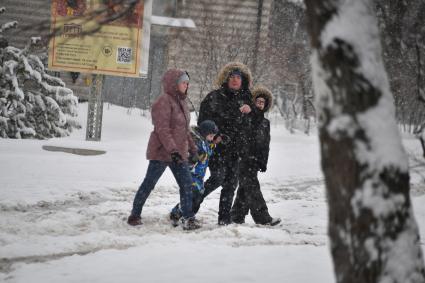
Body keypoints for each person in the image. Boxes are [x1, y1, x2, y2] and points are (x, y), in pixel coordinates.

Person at [127, 69, 201, 230]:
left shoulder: (182, 102)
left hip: (178, 153)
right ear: (174, 84)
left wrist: (193, 150)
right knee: (149, 184)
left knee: (187, 185)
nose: (186, 85)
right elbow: (163, 129)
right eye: (183, 82)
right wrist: (172, 150)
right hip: (161, 152)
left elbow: (185, 129)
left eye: (187, 83)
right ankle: (134, 214)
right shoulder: (163, 101)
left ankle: (188, 218)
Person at [197, 62, 254, 225]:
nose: (235, 80)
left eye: (238, 77)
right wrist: (215, 136)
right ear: (226, 79)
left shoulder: (248, 99)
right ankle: (188, 207)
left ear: (243, 80)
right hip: (218, 149)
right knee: (217, 178)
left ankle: (224, 220)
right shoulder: (214, 97)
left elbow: (255, 125)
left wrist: (250, 112)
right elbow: (203, 121)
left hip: (238, 150)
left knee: (230, 185)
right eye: (232, 77)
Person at [231, 85, 281, 226]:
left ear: (265, 106)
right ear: (254, 101)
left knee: (245, 188)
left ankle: (236, 216)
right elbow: (238, 134)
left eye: (262, 102)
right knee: (252, 187)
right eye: (258, 101)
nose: (260, 104)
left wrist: (263, 162)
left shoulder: (265, 123)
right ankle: (262, 218)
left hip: (255, 161)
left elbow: (265, 144)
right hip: (243, 159)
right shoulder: (246, 116)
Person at [169, 120, 220, 226]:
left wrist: (214, 144)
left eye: (213, 136)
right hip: (190, 174)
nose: (212, 138)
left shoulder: (205, 142)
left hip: (198, 176)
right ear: (205, 133)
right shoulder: (194, 142)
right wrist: (194, 158)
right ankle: (188, 218)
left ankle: (177, 212)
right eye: (211, 136)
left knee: (196, 198)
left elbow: (208, 151)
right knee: (193, 197)